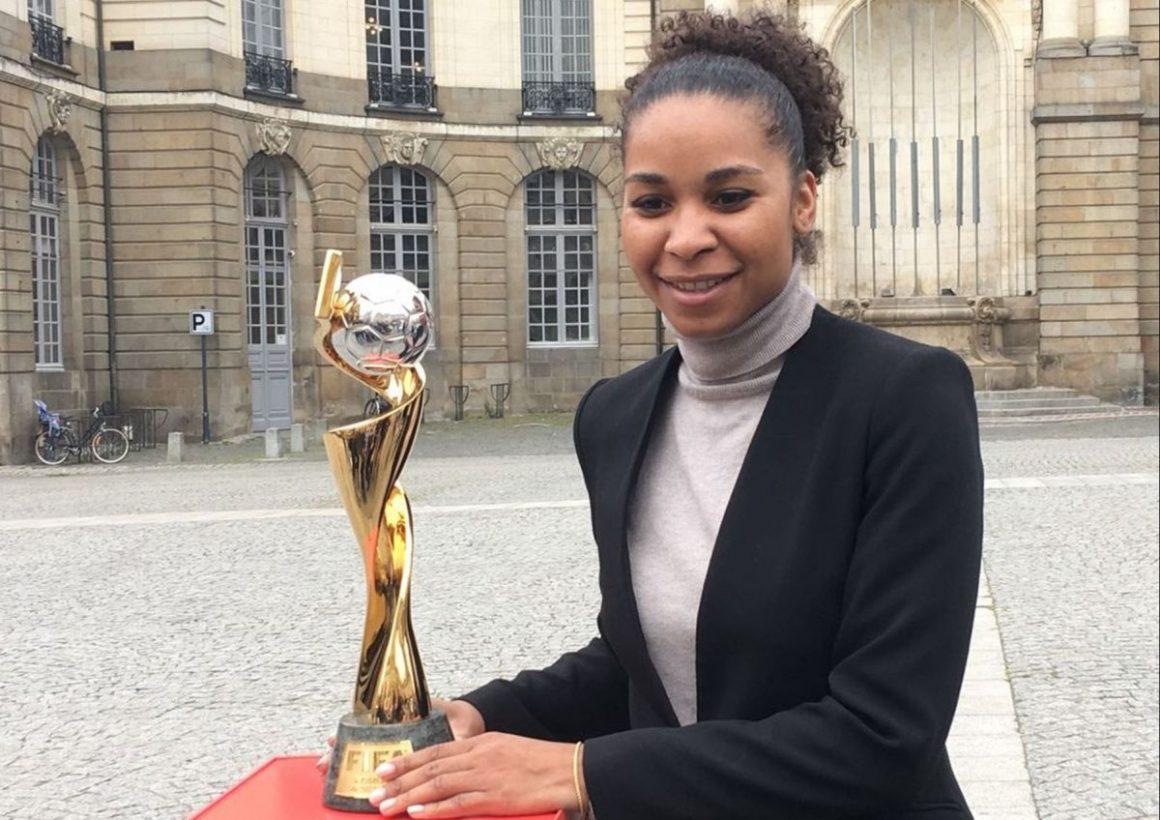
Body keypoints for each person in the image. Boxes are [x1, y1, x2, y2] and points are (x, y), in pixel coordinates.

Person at [348, 10, 984, 819]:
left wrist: (579, 774)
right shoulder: (614, 415)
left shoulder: (904, 399)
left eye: (728, 196)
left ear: (803, 199)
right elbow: (645, 662)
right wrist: (488, 713)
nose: (686, 237)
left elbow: (883, 736)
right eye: (652, 203)